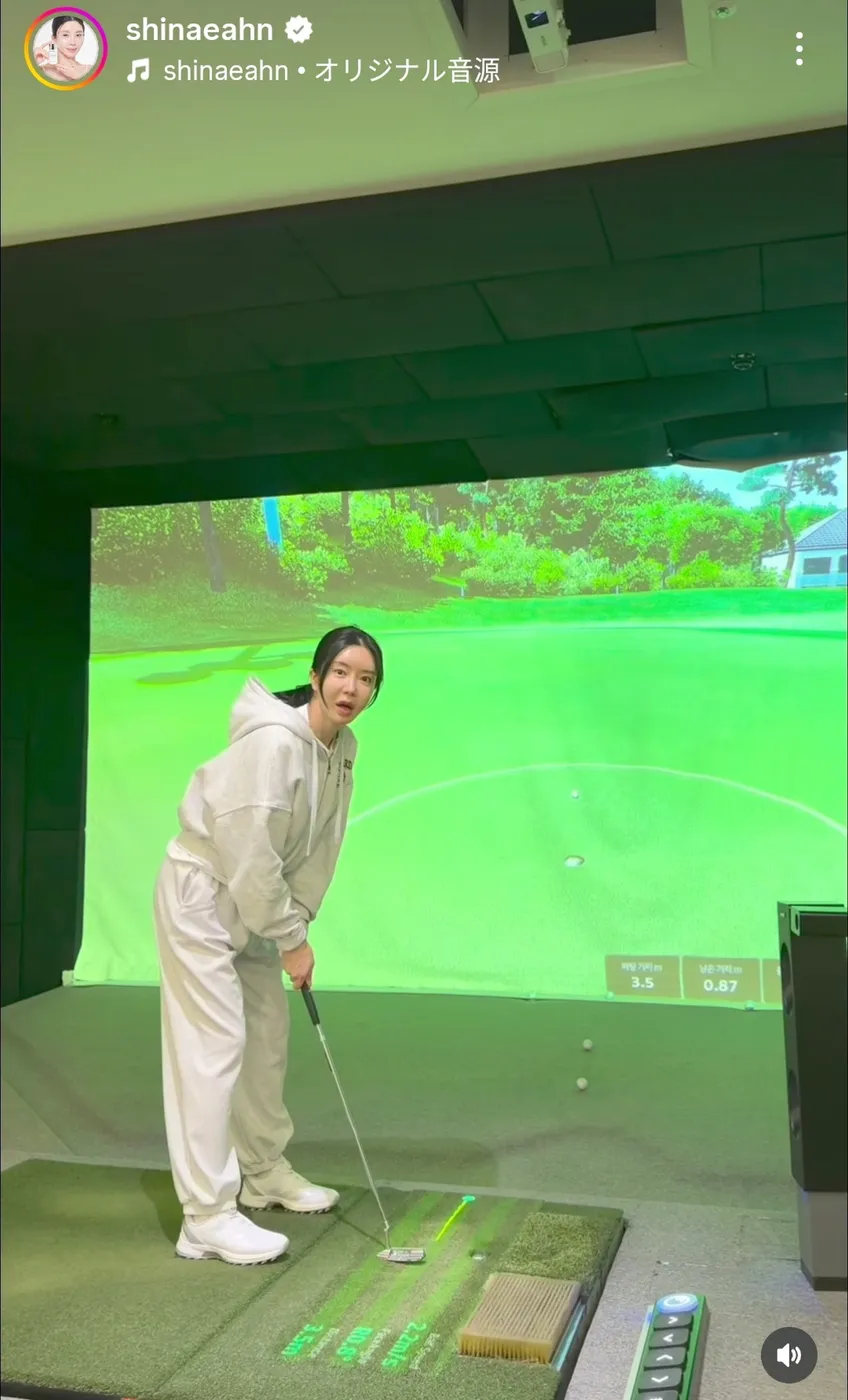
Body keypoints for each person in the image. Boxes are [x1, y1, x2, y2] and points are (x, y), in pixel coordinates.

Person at [153, 625, 384, 1265]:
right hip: (202, 894)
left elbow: (322, 846)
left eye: (366, 679)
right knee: (213, 1044)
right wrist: (289, 939)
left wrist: (296, 924)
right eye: (341, 673)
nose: (352, 688)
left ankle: (261, 1171)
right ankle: (205, 1216)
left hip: (258, 903)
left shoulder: (342, 748)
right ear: (316, 677)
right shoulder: (273, 744)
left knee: (266, 1032)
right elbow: (250, 854)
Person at [35, 15, 92, 82]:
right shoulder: (42, 70)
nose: (73, 42)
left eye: (78, 35)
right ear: (54, 39)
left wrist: (78, 77)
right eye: (65, 35)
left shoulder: (90, 70)